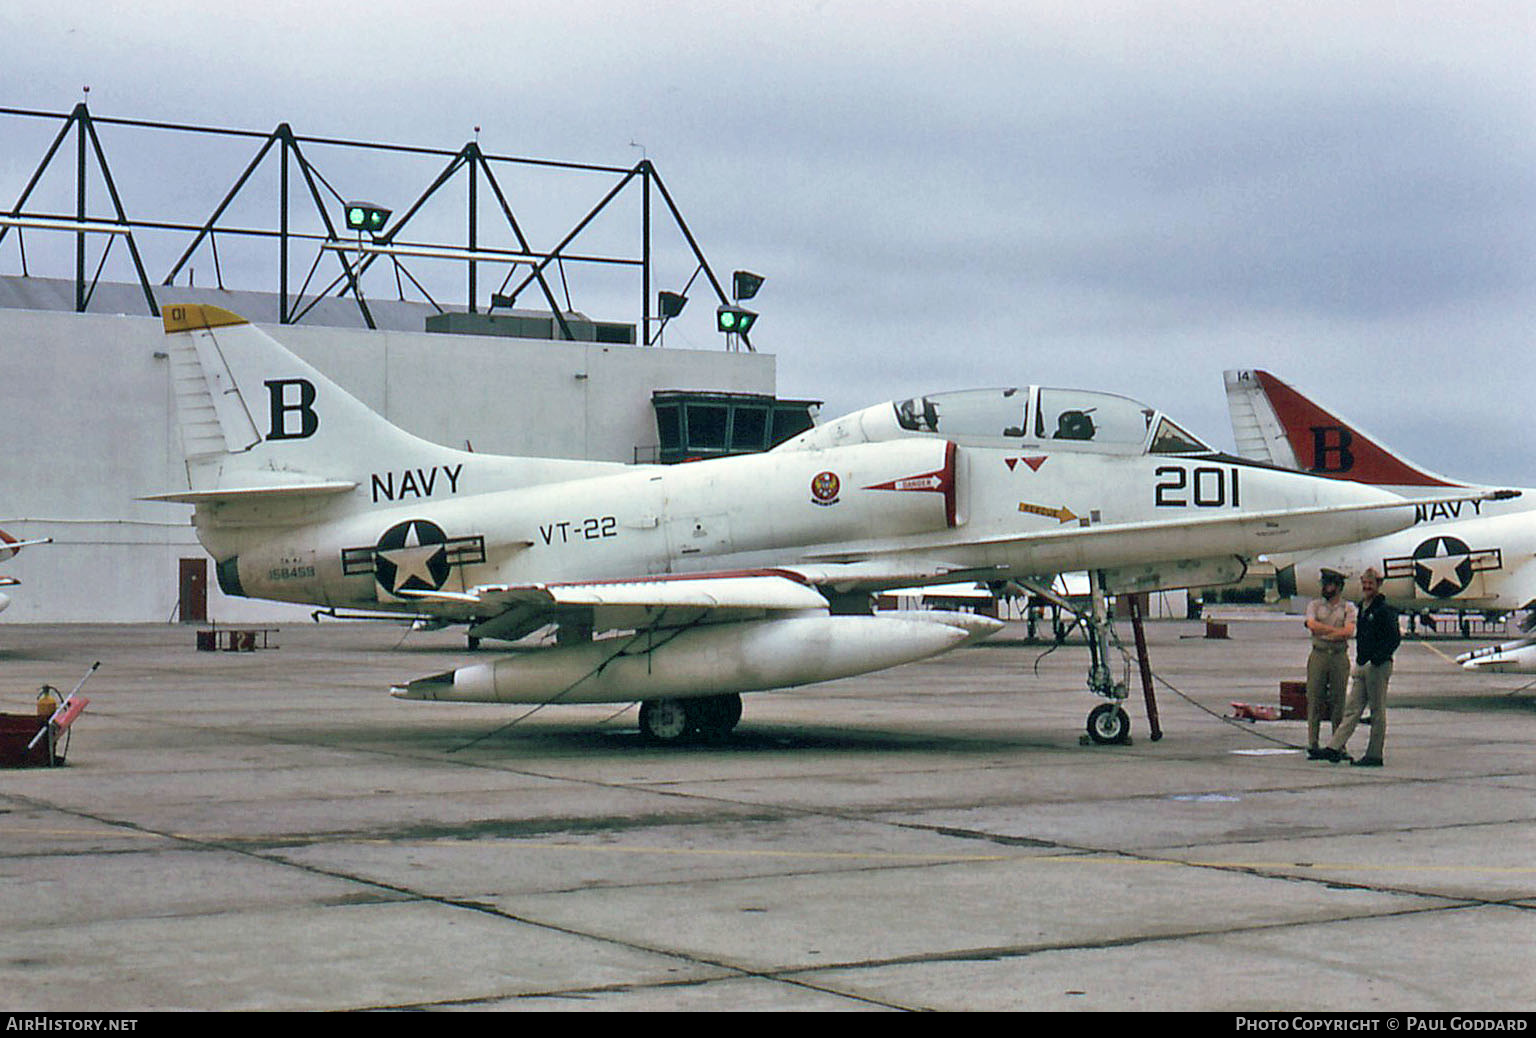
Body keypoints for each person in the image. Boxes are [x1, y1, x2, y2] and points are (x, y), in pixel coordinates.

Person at [1322, 568, 1399, 766]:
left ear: (1378, 585)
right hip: (1363, 664)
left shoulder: (1384, 610)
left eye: (1370, 584)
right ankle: (1334, 747)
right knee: (1352, 708)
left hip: (1377, 666)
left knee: (1377, 711)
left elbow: (1394, 638)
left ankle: (1374, 754)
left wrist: (1378, 659)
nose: (1366, 587)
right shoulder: (1362, 608)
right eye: (1364, 583)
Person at [1303, 568, 1356, 759]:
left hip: (1339, 656)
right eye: (1324, 584)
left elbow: (1348, 631)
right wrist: (1334, 631)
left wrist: (1323, 630)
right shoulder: (1315, 605)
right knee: (1314, 698)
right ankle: (1313, 743)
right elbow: (1311, 625)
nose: (1326, 587)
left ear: (1339, 587)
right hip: (1319, 654)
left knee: (1338, 702)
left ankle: (1337, 745)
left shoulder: (1348, 607)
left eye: (1330, 584)